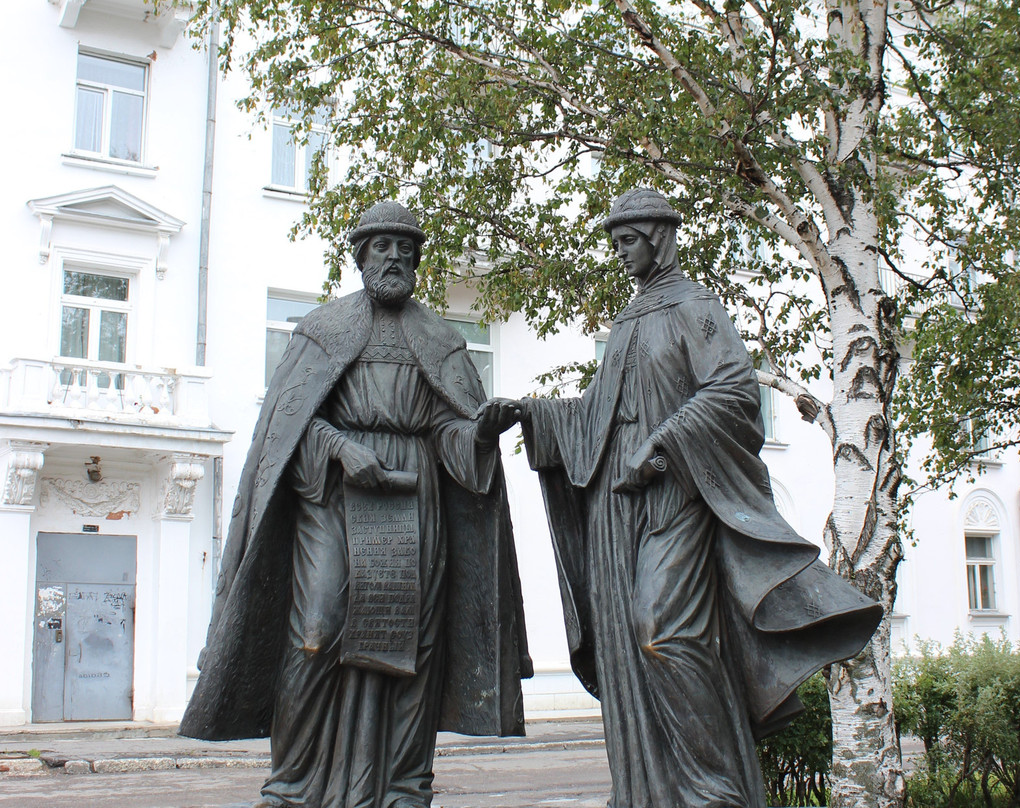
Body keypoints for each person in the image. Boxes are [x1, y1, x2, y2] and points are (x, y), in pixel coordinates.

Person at [518, 188, 882, 808]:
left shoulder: (696, 307)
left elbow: (735, 390)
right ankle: (648, 791)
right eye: (615, 244)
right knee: (625, 647)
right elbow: (599, 418)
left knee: (665, 633)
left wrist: (665, 442)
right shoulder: (630, 318)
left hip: (677, 497)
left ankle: (714, 791)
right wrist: (534, 412)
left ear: (658, 236)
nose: (620, 254)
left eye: (627, 241)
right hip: (618, 505)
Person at [180, 200, 531, 808]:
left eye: (405, 248)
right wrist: (342, 449)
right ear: (360, 255)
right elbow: (287, 428)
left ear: (418, 259)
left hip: (414, 496)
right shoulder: (323, 329)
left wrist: (477, 432)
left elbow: (448, 434)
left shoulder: (442, 339)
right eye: (381, 246)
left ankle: (401, 785)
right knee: (317, 629)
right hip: (336, 497)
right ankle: (292, 785)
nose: (394, 257)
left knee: (411, 646)